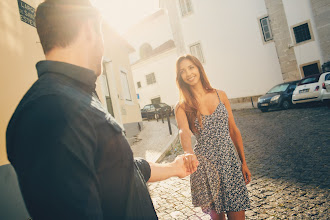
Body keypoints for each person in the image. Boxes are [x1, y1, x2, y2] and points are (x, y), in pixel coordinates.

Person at [5, 1, 198, 219]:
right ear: (89, 29)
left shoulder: (76, 94)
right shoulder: (50, 112)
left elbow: (122, 168)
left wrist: (173, 168)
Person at [175, 54, 251, 220]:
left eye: (191, 67)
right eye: (182, 71)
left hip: (229, 162)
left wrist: (243, 162)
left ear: (199, 68)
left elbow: (233, 130)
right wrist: (188, 152)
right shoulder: (182, 106)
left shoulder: (220, 95)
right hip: (205, 167)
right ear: (180, 77)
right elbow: (183, 132)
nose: (188, 73)